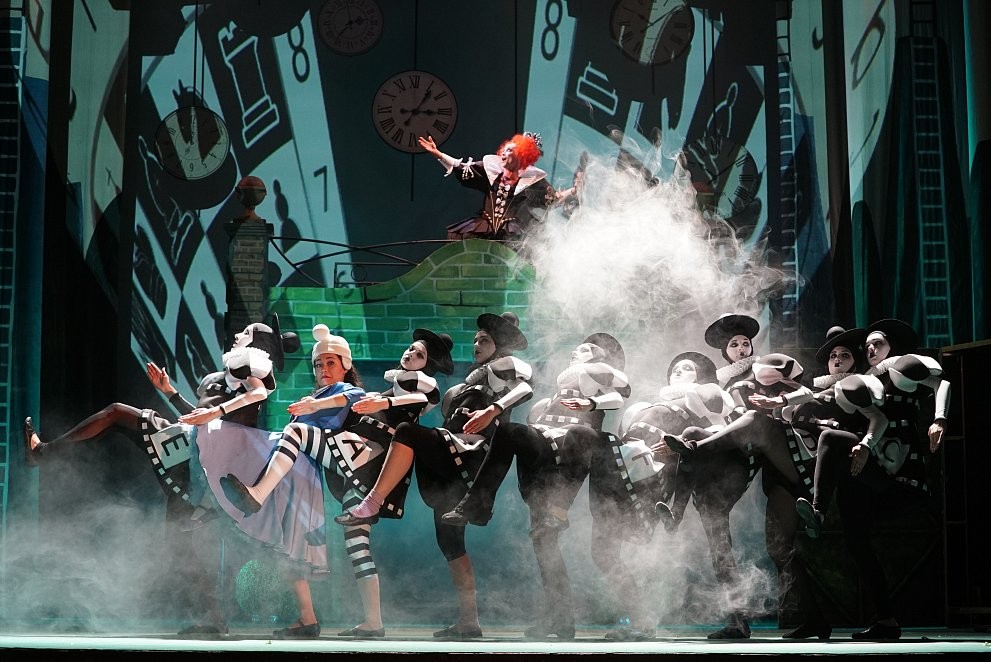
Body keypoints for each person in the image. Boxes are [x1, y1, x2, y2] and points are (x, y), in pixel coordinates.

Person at [221, 326, 455, 639]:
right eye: (319, 364)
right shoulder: (382, 390)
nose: (410, 353)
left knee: (296, 434)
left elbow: (422, 396)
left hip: (365, 458)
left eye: (331, 362)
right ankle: (372, 621)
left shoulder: (400, 387)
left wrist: (373, 405)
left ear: (345, 365)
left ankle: (258, 494)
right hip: (351, 469)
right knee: (356, 544)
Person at [335, 312, 533, 640]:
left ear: (501, 343)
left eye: (484, 339)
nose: (476, 344)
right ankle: (469, 622)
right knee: (449, 541)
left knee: (407, 432)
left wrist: (493, 410)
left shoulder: (506, 366)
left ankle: (373, 502)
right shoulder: (460, 387)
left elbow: (525, 387)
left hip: (473, 451)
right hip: (451, 454)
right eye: (475, 339)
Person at [442, 333, 631, 640]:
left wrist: (591, 402)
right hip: (546, 452)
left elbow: (622, 393)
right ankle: (477, 505)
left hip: (574, 449)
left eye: (587, 349)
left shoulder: (599, 377)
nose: (577, 351)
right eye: (577, 348)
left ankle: (558, 510)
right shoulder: (551, 399)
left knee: (579, 436)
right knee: (544, 542)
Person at [795, 319, 950, 641]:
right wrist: (781, 403)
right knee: (857, 544)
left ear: (892, 346)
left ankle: (818, 511)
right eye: (867, 346)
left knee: (832, 439)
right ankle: (887, 621)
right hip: (867, 475)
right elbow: (817, 395)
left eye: (877, 343)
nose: (871, 349)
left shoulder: (900, 371)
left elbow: (941, 383)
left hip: (898, 478)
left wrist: (939, 418)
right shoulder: (864, 382)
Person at [581, 350, 732, 641]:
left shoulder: (705, 397)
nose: (678, 370)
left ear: (700, 377)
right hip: (620, 466)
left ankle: (642, 623)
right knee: (601, 552)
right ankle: (641, 620)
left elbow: (715, 435)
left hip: (655, 474)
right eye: (675, 368)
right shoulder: (645, 406)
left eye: (686, 368)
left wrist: (681, 450)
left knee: (615, 544)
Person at [417, 133, 577, 241]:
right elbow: (461, 166)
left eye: (509, 150)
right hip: (484, 229)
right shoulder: (490, 171)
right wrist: (438, 154)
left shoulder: (533, 181)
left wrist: (573, 190)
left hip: (510, 233)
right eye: (504, 150)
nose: (503, 153)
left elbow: (553, 199)